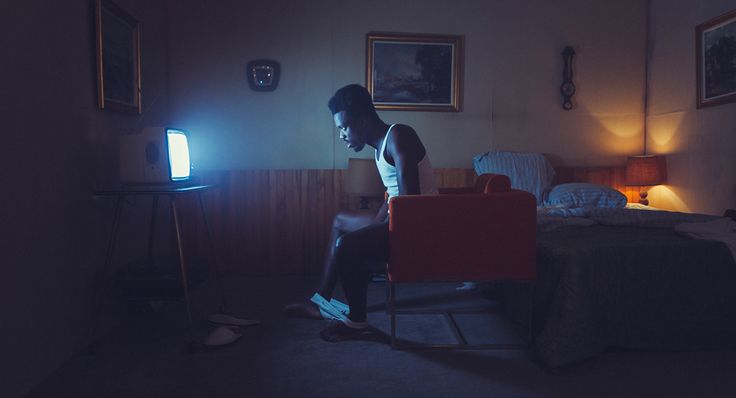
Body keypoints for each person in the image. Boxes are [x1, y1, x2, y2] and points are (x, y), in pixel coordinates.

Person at [284, 84, 437, 341]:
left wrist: (370, 233)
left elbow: (410, 204)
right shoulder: (379, 147)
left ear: (363, 122)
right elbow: (392, 196)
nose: (342, 135)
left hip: (419, 226)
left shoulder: (399, 135)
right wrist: (374, 225)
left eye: (344, 128)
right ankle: (321, 301)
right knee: (340, 221)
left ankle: (357, 320)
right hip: (398, 218)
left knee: (347, 245)